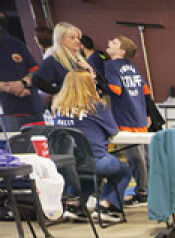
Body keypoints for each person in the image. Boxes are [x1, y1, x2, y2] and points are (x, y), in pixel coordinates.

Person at [50, 70, 130, 224]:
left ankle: (75, 205)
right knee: (124, 171)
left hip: (67, 163)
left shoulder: (58, 108)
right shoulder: (97, 106)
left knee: (84, 170)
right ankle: (107, 206)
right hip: (96, 160)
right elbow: (113, 130)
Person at [98, 36, 150, 205]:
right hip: (139, 113)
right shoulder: (133, 67)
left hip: (125, 116)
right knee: (144, 155)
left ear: (121, 51)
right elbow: (145, 91)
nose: (109, 44)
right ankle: (148, 189)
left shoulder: (111, 66)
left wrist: (97, 82)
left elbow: (116, 89)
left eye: (114, 43)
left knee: (135, 157)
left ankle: (142, 192)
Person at [0, 14, 44, 131]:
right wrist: (6, 87)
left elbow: (36, 71)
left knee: (41, 144)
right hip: (8, 113)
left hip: (32, 107)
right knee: (18, 147)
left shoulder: (15, 43)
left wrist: (22, 83)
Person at [31, 22, 90, 98]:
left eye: (78, 38)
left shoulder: (79, 58)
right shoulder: (54, 60)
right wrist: (60, 92)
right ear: (61, 40)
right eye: (72, 38)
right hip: (71, 105)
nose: (77, 41)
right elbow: (36, 80)